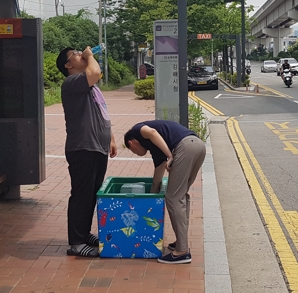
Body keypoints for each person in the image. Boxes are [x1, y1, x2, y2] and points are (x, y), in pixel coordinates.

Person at [56, 46, 117, 257]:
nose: (79, 54)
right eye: (74, 53)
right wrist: (90, 55)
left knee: (92, 194)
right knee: (81, 195)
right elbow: (95, 72)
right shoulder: (72, 82)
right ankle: (76, 242)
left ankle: (83, 232)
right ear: (68, 65)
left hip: (96, 147)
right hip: (82, 147)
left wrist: (111, 138)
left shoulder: (90, 87)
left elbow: (102, 112)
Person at [123, 120, 206, 264]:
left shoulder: (137, 130)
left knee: (173, 198)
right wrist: (152, 194)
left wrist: (170, 155)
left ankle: (182, 251)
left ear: (131, 143)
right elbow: (158, 174)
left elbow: (152, 132)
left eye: (133, 151)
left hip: (185, 147)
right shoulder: (154, 147)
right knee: (180, 195)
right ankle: (181, 242)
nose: (136, 154)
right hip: (198, 146)